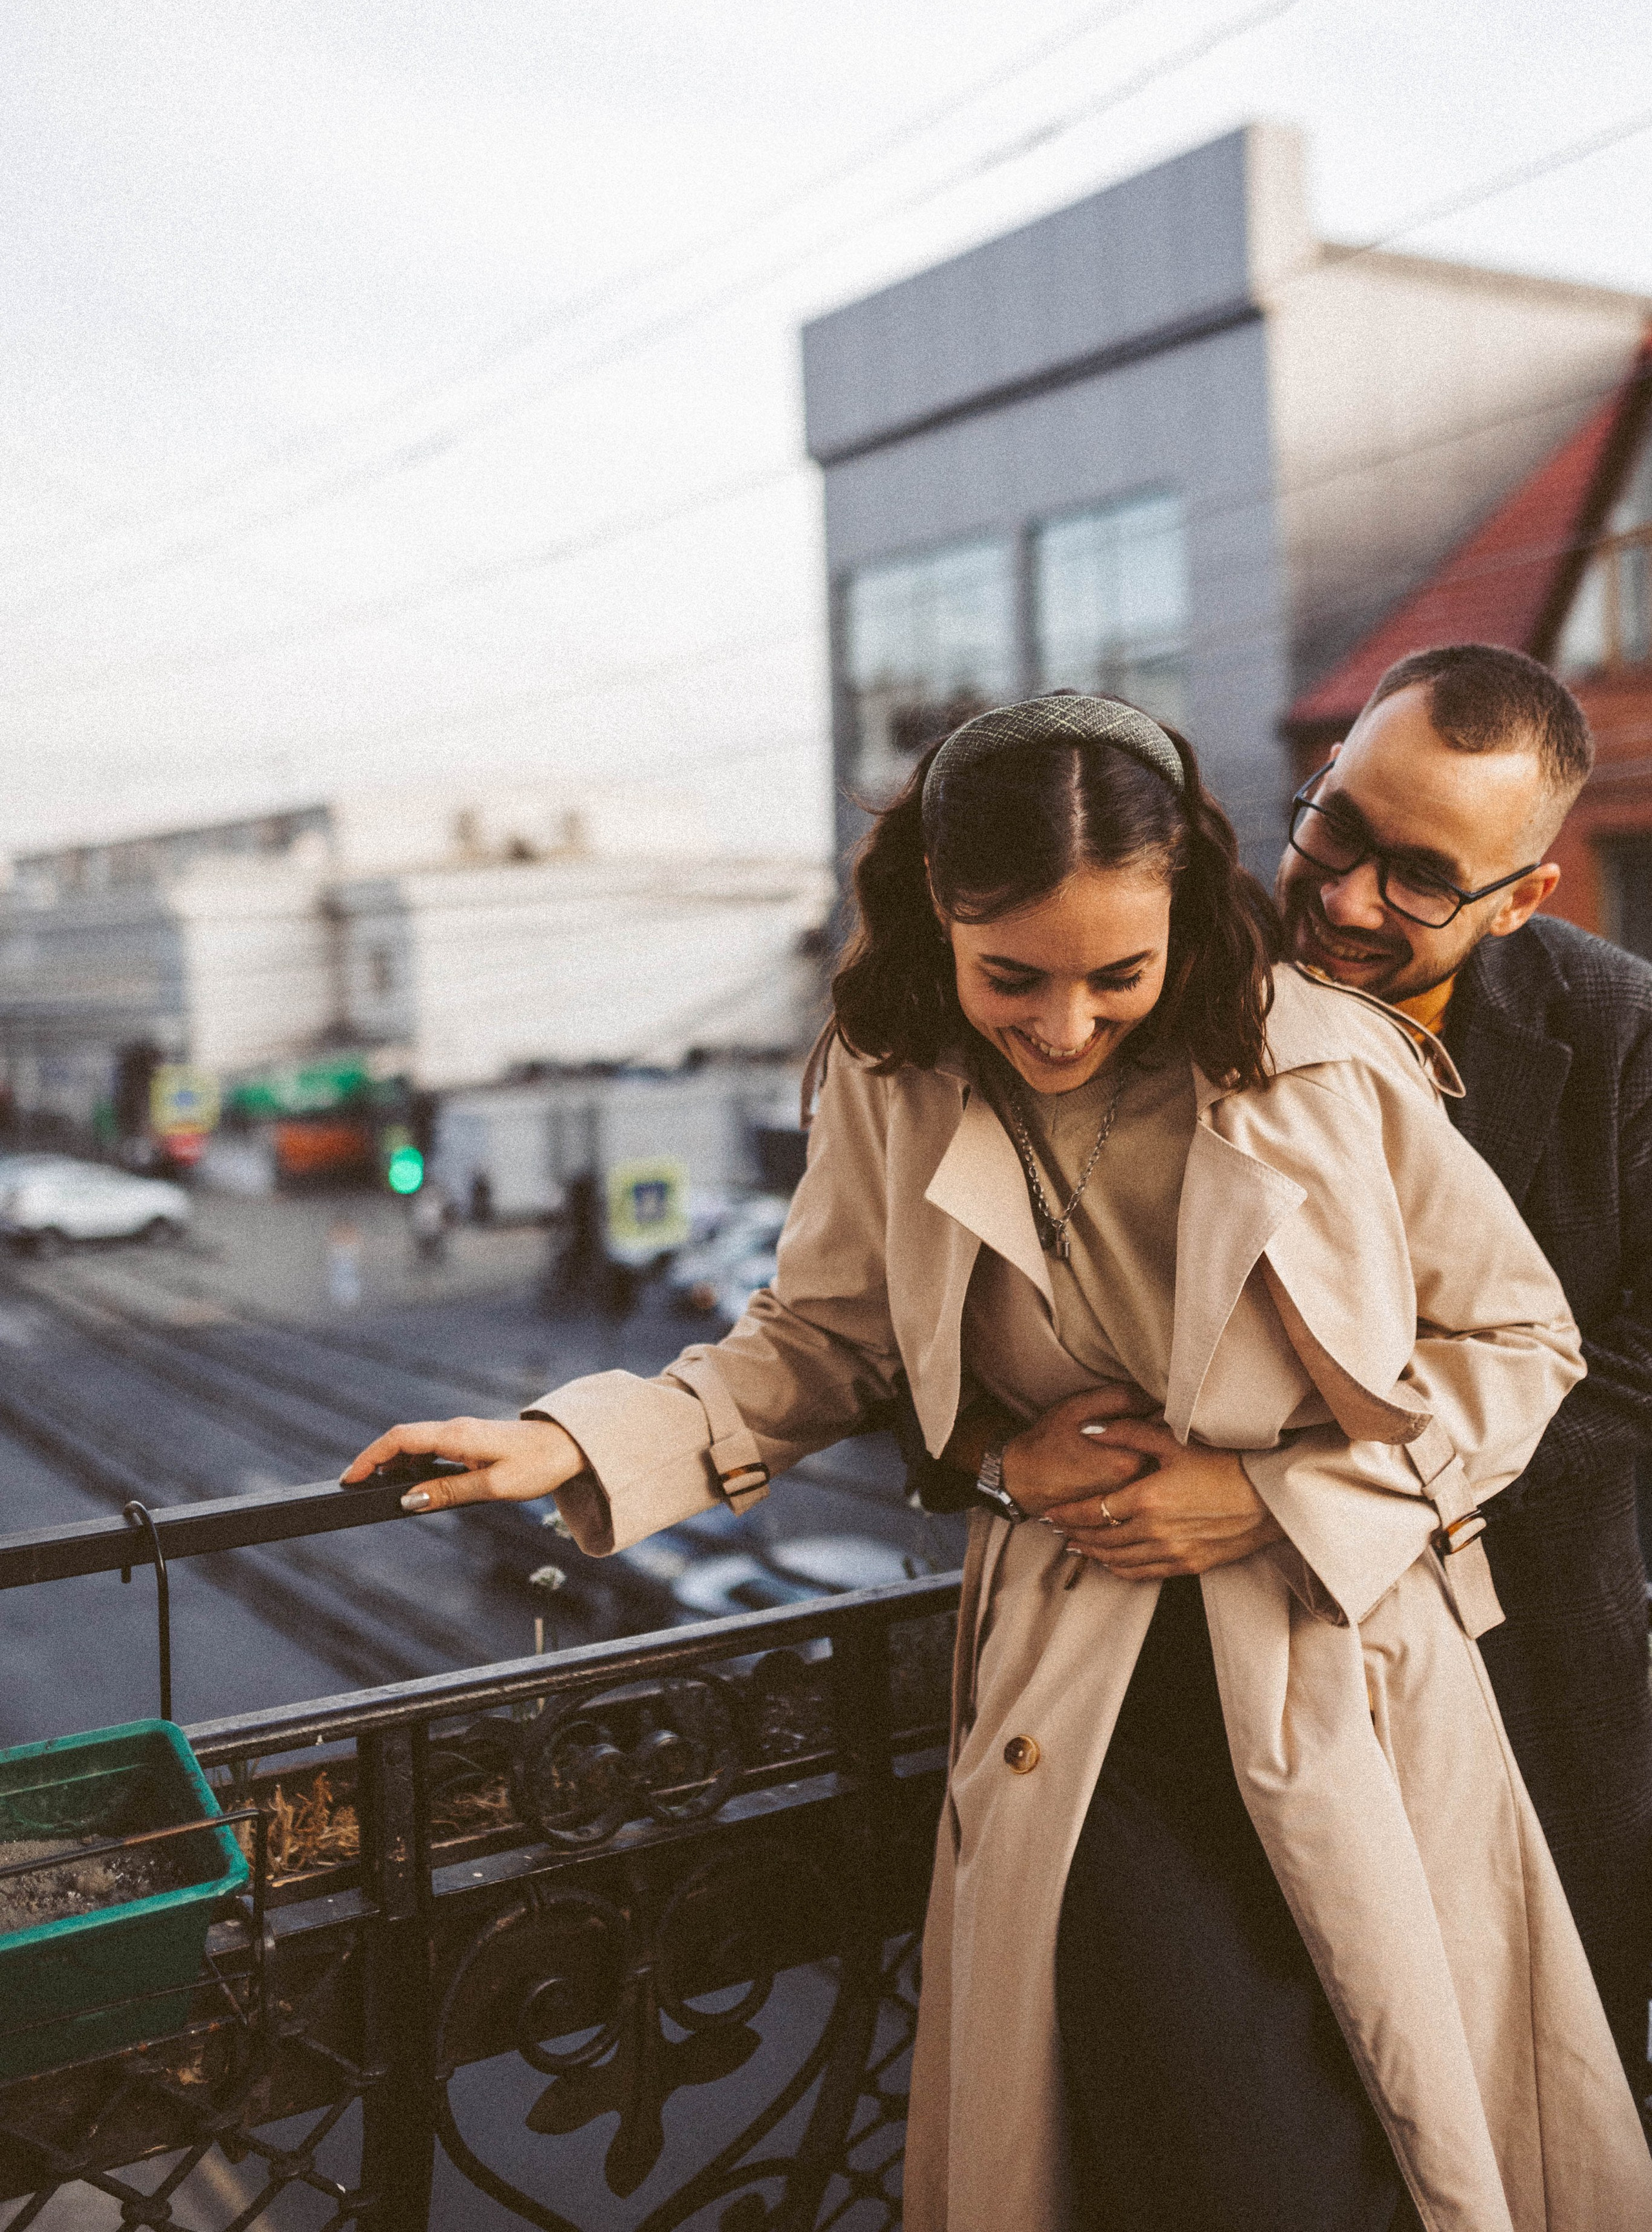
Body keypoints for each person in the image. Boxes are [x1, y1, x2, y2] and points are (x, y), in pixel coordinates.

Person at [343, 694, 1650, 2231]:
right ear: (935, 925)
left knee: (1393, 2133)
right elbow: (814, 1343)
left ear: (1184, 922)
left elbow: (1520, 1348)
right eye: (1007, 976)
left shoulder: (1321, 1062)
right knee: (1208, 2151)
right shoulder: (887, 1081)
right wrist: (578, 1433)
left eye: (1118, 975)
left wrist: (1265, 1494)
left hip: (1338, 1670)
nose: (1061, 1023)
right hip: (1086, 1705)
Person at [1269, 643, 1652, 2103]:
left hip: (1533, 1678)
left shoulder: (1621, 1033)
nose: (1348, 895)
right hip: (1256, 1682)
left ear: (1522, 899)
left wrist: (1322, 1497)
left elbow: (1632, 1365)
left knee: (1551, 2097)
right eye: (1335, 826)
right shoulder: (1172, 982)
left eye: (1419, 878)